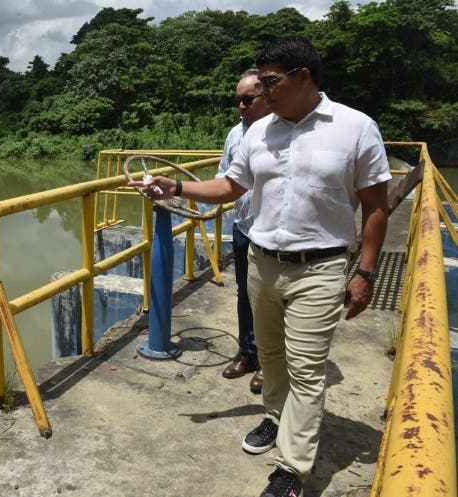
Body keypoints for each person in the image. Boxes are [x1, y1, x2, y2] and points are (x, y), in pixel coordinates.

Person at [130, 36, 390, 497]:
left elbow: (375, 207)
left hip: (322, 266)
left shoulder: (355, 128)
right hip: (261, 262)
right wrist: (175, 188)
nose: (261, 93)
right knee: (270, 359)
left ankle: (290, 470)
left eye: (270, 82)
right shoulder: (259, 131)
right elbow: (231, 187)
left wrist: (365, 272)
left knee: (306, 369)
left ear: (303, 77)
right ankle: (274, 417)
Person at [218, 69, 271, 394]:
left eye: (247, 99)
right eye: (237, 100)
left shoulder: (279, 131)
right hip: (243, 225)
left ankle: (269, 362)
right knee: (244, 294)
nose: (241, 105)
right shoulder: (234, 135)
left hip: (271, 231)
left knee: (269, 297)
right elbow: (224, 174)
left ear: (265, 96)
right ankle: (248, 353)